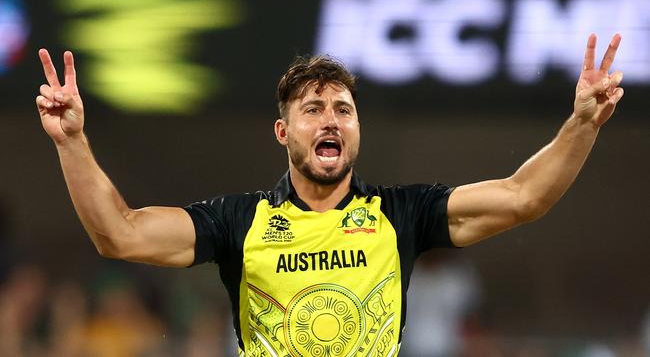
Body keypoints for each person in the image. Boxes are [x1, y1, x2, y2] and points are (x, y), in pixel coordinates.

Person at [35, 34, 624, 355]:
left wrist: (581, 125)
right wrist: (73, 141)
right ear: (283, 132)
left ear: (357, 130)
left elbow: (524, 198)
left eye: (343, 109)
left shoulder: (400, 214)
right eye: (313, 109)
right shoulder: (239, 221)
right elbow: (119, 233)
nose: (331, 121)